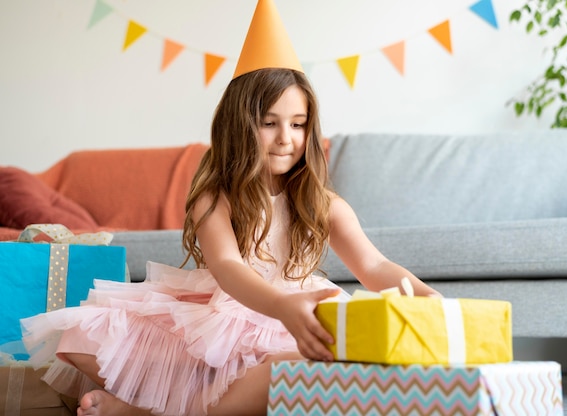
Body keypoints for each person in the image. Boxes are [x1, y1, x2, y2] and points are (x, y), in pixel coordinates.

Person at [21, 1, 441, 415]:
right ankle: (150, 408)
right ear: (240, 123)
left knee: (327, 369)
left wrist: (426, 295)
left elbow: (374, 266)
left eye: (298, 124)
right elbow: (226, 265)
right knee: (87, 338)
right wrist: (278, 305)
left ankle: (145, 411)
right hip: (225, 318)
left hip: (295, 319)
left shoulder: (324, 204)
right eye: (269, 122)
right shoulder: (215, 195)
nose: (285, 138)